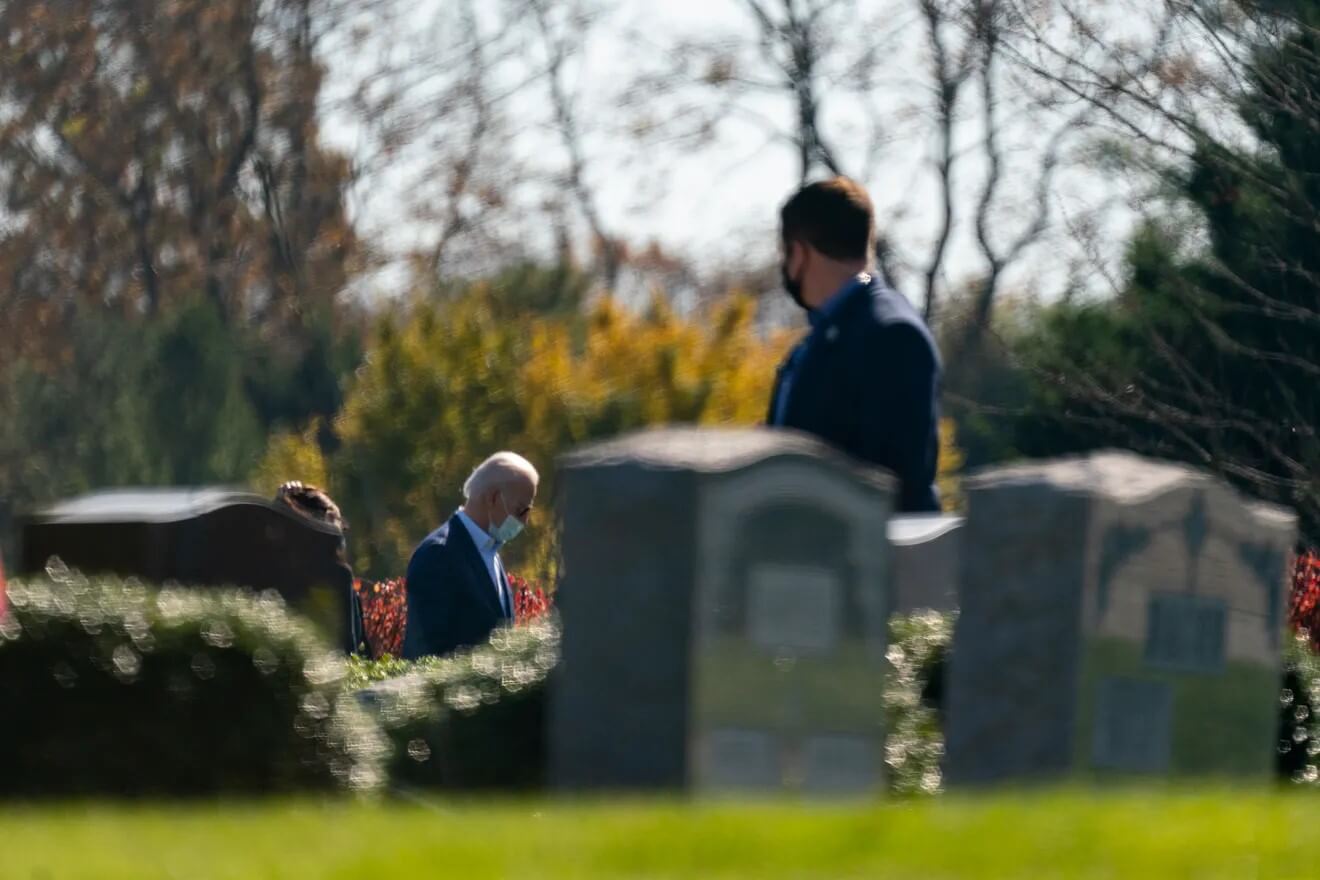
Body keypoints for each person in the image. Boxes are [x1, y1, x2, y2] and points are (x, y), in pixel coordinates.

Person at [768, 177, 942, 513]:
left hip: (864, 557)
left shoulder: (891, 335)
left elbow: (897, 483)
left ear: (800, 251)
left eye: (784, 253)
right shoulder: (827, 335)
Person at [402, 452, 539, 660]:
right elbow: (427, 655)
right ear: (493, 497)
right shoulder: (438, 554)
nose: (525, 521)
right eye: (520, 510)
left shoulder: (490, 551)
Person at [274, 481, 366, 655]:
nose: (339, 529)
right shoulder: (337, 575)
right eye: (333, 520)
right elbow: (348, 649)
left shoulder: (281, 570)